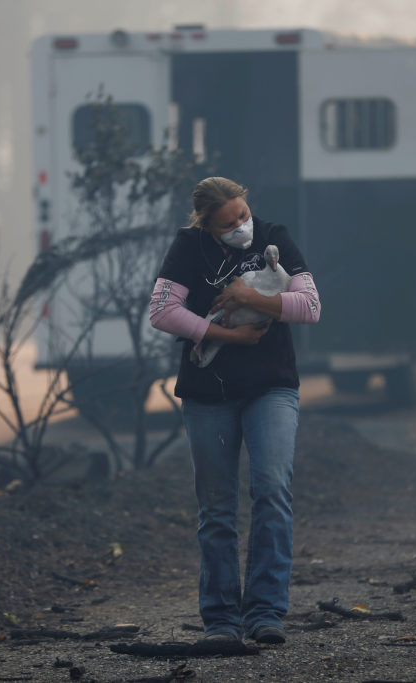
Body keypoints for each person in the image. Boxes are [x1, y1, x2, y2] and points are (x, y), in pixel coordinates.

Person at [149, 177, 321, 645]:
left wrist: (249, 298)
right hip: (208, 394)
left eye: (243, 215)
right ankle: (221, 619)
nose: (241, 227)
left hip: (271, 387)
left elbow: (309, 306)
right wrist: (226, 336)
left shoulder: (275, 237)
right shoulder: (188, 247)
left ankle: (266, 613)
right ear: (207, 226)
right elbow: (162, 311)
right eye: (228, 224)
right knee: (217, 508)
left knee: (271, 491)